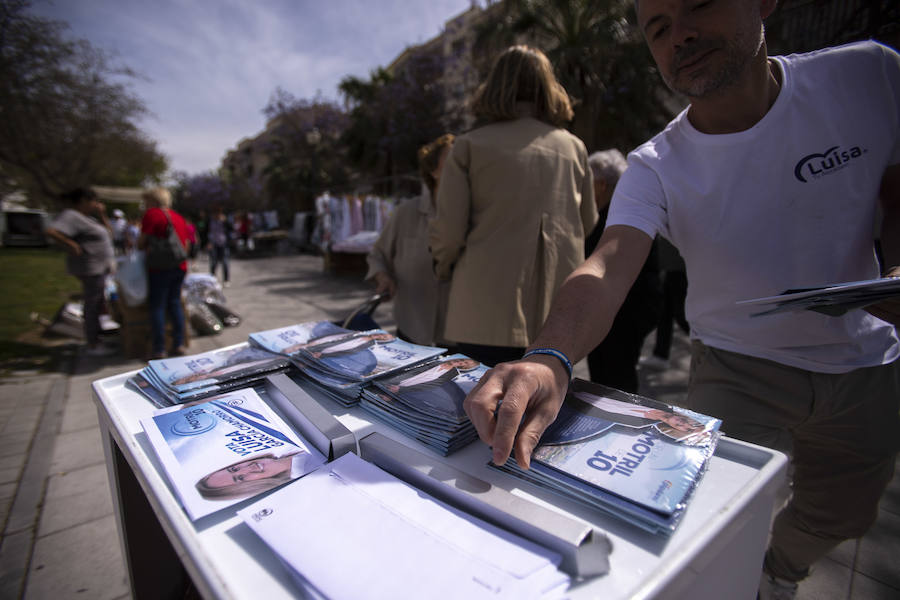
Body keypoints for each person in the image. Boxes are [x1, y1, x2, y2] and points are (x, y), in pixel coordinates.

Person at [463, 2, 900, 599]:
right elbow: (606, 264)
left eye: (699, 5)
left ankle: (781, 570)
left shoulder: (870, 76)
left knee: (844, 518)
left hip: (870, 366)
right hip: (736, 367)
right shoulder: (655, 164)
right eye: (659, 28)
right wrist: (549, 357)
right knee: (697, 526)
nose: (682, 35)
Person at [429, 45, 598, 367]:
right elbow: (587, 223)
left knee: (480, 409)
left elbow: (449, 232)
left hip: (483, 312)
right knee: (547, 410)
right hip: (557, 315)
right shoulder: (574, 148)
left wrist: (442, 267)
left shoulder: (469, 146)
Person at [366, 133, 455, 346]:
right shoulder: (406, 213)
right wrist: (383, 277)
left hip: (458, 337)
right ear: (433, 170)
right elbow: (378, 255)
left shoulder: (476, 217)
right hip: (412, 328)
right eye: (453, 160)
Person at [584, 149, 662, 392]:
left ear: (602, 185)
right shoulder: (613, 212)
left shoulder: (618, 217)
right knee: (607, 373)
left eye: (588, 183)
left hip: (625, 311)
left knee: (616, 377)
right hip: (622, 309)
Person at [45, 188, 116, 357]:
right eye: (94, 201)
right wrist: (72, 245)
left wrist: (102, 215)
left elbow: (109, 234)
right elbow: (51, 231)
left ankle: (97, 339)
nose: (97, 204)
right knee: (92, 304)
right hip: (91, 267)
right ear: (84, 200)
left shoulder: (88, 219)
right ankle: (93, 343)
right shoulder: (71, 215)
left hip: (99, 268)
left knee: (98, 303)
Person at [139, 187, 190, 359]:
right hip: (179, 266)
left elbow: (141, 242)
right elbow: (186, 244)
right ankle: (178, 343)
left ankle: (159, 347)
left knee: (158, 305)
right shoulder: (178, 216)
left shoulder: (152, 215)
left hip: (159, 267)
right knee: (174, 302)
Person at [195, 451, 303, 500]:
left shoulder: (289, 451)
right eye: (241, 478)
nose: (248, 468)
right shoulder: (305, 471)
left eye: (234, 469)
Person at [207, 206, 232, 286]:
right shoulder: (210, 221)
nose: (217, 215)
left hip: (223, 243)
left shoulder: (224, 220)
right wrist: (207, 242)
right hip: (213, 243)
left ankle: (226, 280)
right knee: (213, 262)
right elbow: (205, 232)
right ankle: (212, 280)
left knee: (225, 262)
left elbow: (231, 229)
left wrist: (226, 221)